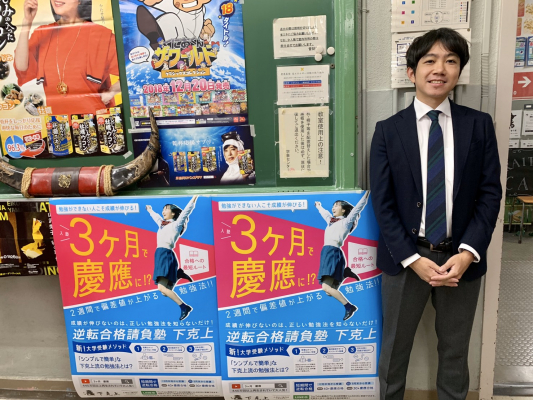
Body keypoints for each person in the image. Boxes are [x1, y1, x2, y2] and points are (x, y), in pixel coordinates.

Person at [369, 28, 502, 400]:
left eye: (451, 61)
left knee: (456, 352)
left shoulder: (478, 125)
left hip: (462, 258)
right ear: (412, 72)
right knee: (394, 352)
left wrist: (469, 252)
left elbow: (490, 194)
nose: (440, 69)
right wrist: (412, 258)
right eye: (430, 60)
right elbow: (383, 203)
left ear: (459, 70)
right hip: (406, 258)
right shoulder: (388, 132)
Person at [14, 0, 121, 116]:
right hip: (57, 121)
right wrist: (27, 22)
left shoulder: (100, 35)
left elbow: (129, 74)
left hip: (94, 120)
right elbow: (21, 66)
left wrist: (111, 92)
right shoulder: (42, 33)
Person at [315, 192, 370, 321]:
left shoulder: (346, 221)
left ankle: (349, 307)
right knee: (329, 292)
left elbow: (358, 208)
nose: (333, 207)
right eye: (333, 206)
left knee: (326, 287)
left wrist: (367, 193)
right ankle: (345, 273)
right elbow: (325, 214)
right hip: (327, 252)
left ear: (343, 210)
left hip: (333, 252)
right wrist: (319, 207)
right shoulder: (331, 221)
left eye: (336, 205)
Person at [146, 195, 198, 321]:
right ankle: (178, 274)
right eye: (163, 209)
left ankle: (184, 307)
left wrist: (194, 199)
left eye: (166, 209)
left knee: (161, 288)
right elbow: (157, 217)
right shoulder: (162, 224)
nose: (163, 211)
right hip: (160, 254)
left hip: (166, 254)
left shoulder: (176, 224)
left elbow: (186, 212)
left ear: (173, 213)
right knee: (164, 292)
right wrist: (150, 210)